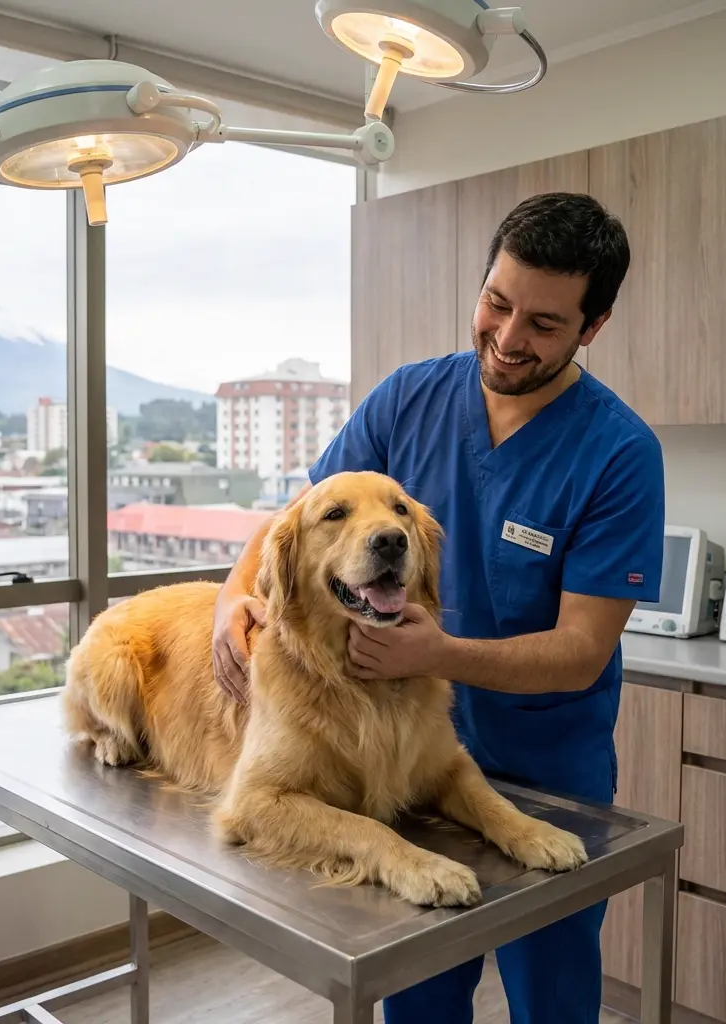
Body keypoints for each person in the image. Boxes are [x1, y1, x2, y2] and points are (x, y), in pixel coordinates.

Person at [211, 191, 666, 1024]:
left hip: (541, 765)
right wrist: (235, 597)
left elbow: (581, 649)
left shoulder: (620, 453)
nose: (506, 337)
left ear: (592, 329)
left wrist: (437, 657)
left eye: (544, 324)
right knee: (418, 991)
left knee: (553, 995)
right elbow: (305, 515)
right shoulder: (409, 399)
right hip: (401, 751)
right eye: (497, 302)